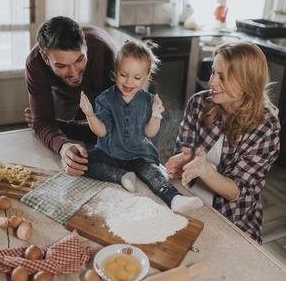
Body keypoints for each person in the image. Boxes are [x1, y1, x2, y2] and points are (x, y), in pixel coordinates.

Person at [165, 40, 281, 243]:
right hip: (188, 197)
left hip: (233, 218)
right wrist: (183, 161)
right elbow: (184, 150)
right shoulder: (199, 103)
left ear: (246, 82)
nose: (211, 82)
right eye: (213, 72)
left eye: (222, 77)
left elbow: (238, 192)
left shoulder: (267, 128)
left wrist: (205, 171)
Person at [79, 40, 203, 214]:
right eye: (123, 75)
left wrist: (155, 116)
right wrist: (90, 115)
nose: (129, 82)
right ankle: (121, 176)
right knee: (81, 162)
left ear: (147, 76)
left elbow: (149, 132)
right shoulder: (105, 99)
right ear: (115, 71)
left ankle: (174, 199)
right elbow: (102, 131)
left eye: (137, 78)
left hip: (139, 154)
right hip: (109, 152)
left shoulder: (148, 100)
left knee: (152, 173)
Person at [25, 16, 117, 174]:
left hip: (98, 87)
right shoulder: (34, 64)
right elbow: (43, 121)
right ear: (45, 58)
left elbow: (112, 129)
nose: (74, 73)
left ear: (85, 46)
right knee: (53, 142)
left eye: (79, 59)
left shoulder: (104, 54)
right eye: (61, 65)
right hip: (63, 90)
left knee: (106, 139)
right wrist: (63, 146)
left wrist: (53, 124)